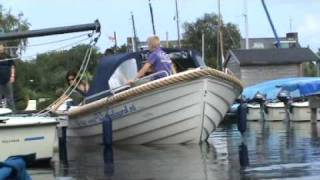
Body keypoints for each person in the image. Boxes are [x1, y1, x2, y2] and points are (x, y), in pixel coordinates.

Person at [0, 45, 16, 111]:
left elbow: (12, 66)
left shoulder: (7, 56)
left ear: (3, 48)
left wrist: (12, 76)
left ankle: (13, 112)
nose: (0, 49)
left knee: (10, 97)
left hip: (7, 79)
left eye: (1, 48)